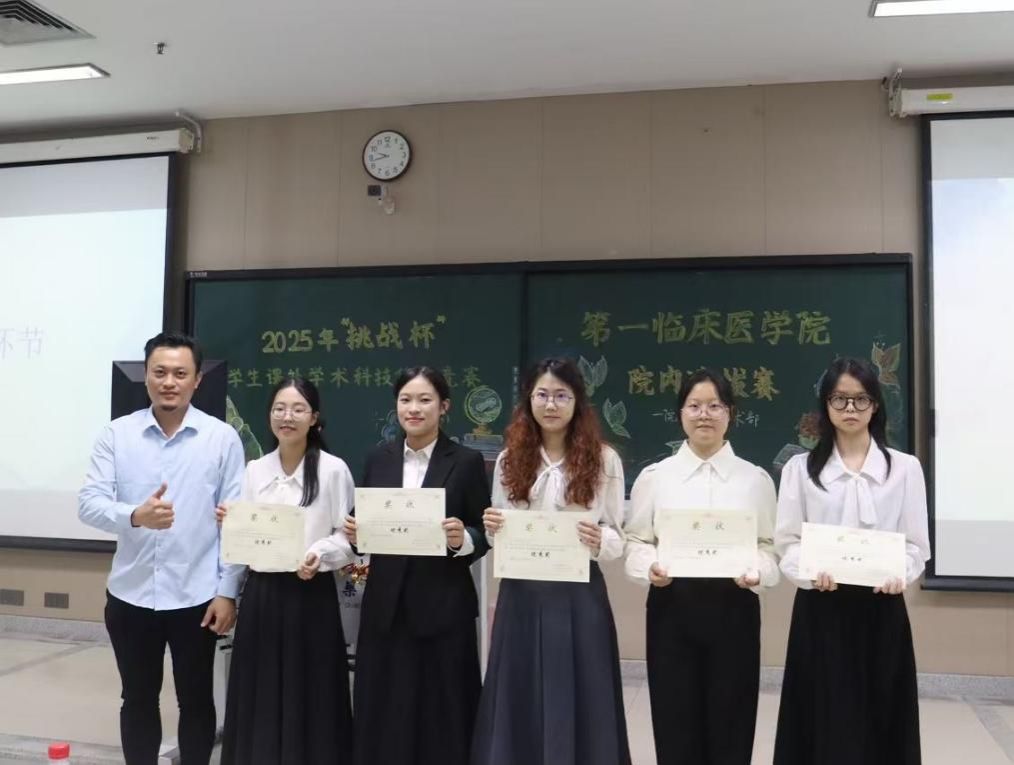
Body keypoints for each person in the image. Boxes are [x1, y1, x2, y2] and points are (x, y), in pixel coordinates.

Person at [78, 331, 244, 765]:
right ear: (146, 376)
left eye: (180, 373)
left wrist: (227, 591)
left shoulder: (222, 438)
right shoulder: (117, 435)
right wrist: (135, 515)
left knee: (197, 700)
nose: (169, 382)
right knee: (137, 698)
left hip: (198, 596)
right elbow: (89, 504)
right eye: (160, 372)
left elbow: (236, 522)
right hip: (131, 594)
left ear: (197, 380)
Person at [471, 357, 630, 765]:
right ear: (529, 400)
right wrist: (492, 525)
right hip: (521, 593)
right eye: (541, 395)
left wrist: (600, 539)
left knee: (582, 690)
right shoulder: (509, 459)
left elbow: (617, 537)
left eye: (562, 395)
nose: (551, 404)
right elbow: (499, 533)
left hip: (579, 595)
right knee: (519, 689)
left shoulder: (604, 460)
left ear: (578, 402)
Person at [773, 357, 929, 765]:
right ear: (825, 405)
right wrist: (809, 572)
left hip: (882, 608)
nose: (850, 409)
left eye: (861, 399)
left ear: (875, 405)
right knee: (823, 715)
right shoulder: (799, 469)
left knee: (881, 715)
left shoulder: (905, 469)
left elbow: (916, 545)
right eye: (839, 399)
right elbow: (787, 542)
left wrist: (900, 573)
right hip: (821, 608)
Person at [624, 368, 778, 765]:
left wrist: (759, 572)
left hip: (735, 608)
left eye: (714, 406)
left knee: (732, 719)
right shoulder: (655, 478)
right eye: (694, 406)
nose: (704, 415)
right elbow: (636, 541)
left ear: (731, 413)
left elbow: (769, 546)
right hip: (672, 609)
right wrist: (650, 567)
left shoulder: (755, 479)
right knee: (675, 720)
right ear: (680, 413)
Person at [344, 366, 490, 765]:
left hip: (443, 607)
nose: (414, 408)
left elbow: (484, 532)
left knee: (442, 709)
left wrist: (463, 540)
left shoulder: (466, 461)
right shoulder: (378, 458)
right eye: (406, 399)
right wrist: (354, 532)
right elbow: (363, 524)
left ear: (444, 407)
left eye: (425, 400)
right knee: (386, 707)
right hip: (386, 608)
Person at [219, 377, 355, 764]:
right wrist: (231, 525)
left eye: (298, 409)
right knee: (259, 688)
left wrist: (319, 555)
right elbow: (243, 540)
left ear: (314, 418)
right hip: (262, 595)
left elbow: (348, 537)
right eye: (279, 408)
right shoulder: (255, 470)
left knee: (311, 689)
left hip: (310, 595)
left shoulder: (333, 470)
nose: (287, 417)